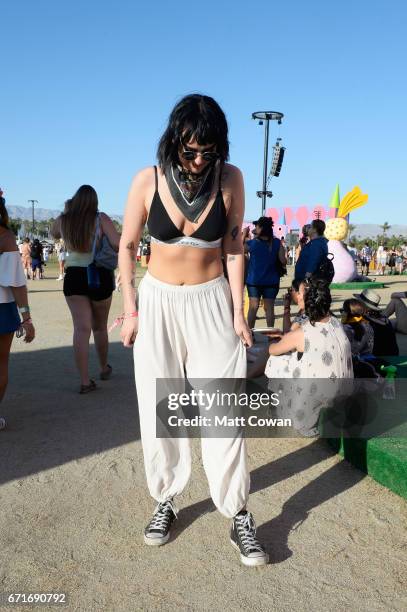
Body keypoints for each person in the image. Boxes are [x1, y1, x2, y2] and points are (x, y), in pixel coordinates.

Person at [118, 94, 268, 567]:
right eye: (190, 150)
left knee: (224, 406)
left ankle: (237, 511)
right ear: (174, 141)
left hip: (211, 300)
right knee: (159, 404)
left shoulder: (231, 178)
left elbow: (234, 248)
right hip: (159, 300)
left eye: (208, 150)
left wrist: (239, 313)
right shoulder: (148, 178)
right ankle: (166, 498)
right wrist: (132, 309)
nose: (199, 159)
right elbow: (125, 247)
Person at [52, 185, 120, 393]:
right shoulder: (101, 219)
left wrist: (67, 212)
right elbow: (118, 244)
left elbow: (54, 233)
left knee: (81, 329)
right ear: (94, 201)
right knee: (100, 327)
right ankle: (103, 367)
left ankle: (84, 381)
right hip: (97, 274)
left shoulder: (64, 220)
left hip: (73, 276)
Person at [265, 278, 353, 435]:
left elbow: (273, 350)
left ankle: (281, 409)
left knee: (275, 360)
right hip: (345, 390)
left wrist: (272, 339)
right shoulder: (336, 323)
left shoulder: (304, 332)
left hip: (321, 394)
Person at [0, 198, 35, 429]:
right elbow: (15, 282)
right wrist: (27, 318)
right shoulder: (5, 237)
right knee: (1, 363)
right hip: (2, 308)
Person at [244, 216, 286, 329]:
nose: (255, 227)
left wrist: (244, 235)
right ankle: (270, 334)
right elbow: (283, 261)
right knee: (269, 308)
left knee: (253, 307)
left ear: (261, 228)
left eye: (256, 226)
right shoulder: (277, 242)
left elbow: (239, 250)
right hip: (271, 281)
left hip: (254, 281)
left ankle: (250, 332)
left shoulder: (252, 243)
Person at [353, 289, 399, 356]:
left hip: (376, 359)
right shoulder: (384, 319)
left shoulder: (363, 321)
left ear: (364, 306)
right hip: (392, 356)